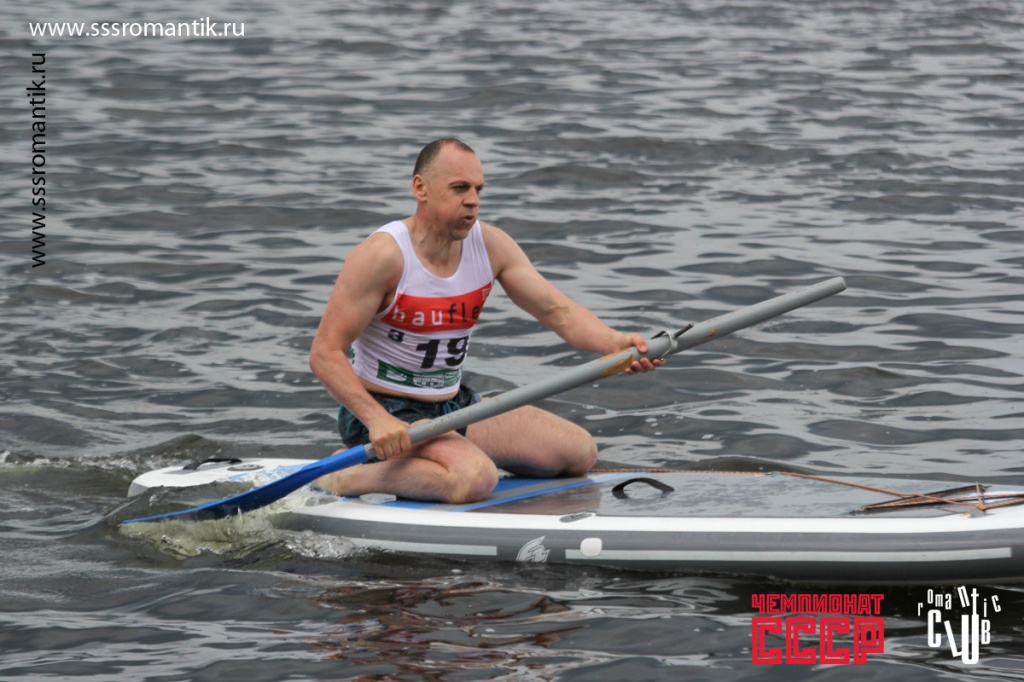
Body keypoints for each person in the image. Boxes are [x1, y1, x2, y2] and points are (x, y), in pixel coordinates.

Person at [310, 138, 660, 504]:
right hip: (386, 415)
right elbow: (324, 353)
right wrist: (376, 419)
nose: (473, 200)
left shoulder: (491, 246)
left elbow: (559, 312)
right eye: (459, 188)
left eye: (478, 189)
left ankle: (445, 458)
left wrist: (614, 343)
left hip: (453, 408)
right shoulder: (382, 256)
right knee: (475, 479)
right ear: (421, 188)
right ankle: (343, 474)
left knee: (578, 453)